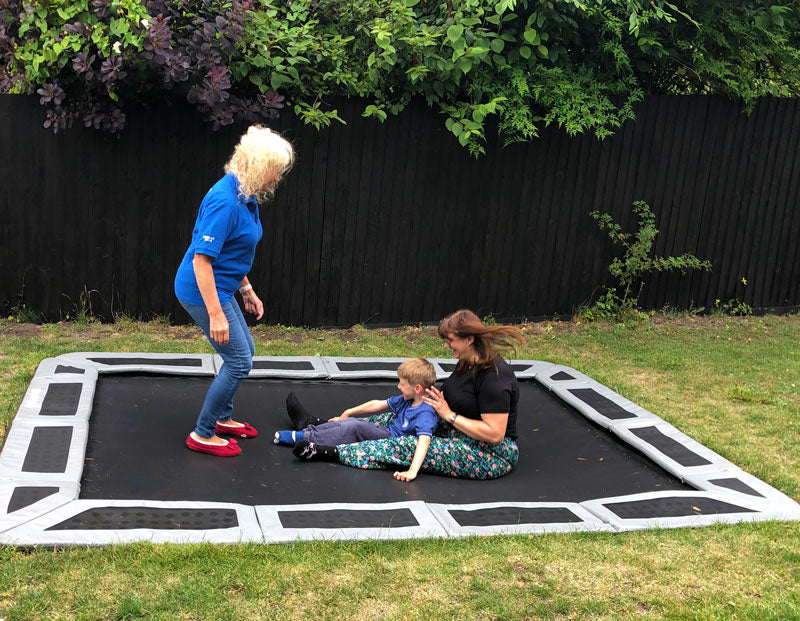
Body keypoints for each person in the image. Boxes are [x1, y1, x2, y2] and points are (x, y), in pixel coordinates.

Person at [175, 125, 294, 457]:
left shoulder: (246, 194)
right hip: (201, 290)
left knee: (246, 351)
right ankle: (203, 433)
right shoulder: (225, 202)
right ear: (258, 167)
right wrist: (216, 314)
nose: (276, 179)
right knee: (239, 360)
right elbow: (202, 262)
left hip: (225, 286)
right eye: (274, 172)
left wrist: (247, 290)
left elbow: (233, 252)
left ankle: (223, 419)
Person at [333, 310, 525, 479]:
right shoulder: (467, 361)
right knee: (394, 419)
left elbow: (494, 434)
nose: (447, 345)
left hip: (488, 452)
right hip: (453, 429)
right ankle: (320, 427)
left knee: (410, 445)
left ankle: (329, 452)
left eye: (450, 340)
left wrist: (449, 414)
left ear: (469, 339)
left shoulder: (495, 378)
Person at [275, 358, 439, 482]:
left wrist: (412, 471)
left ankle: (303, 437)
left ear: (417, 388)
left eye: (402, 384)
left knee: (354, 427)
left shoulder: (425, 413)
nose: (398, 386)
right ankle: (307, 430)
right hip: (387, 432)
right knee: (350, 422)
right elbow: (378, 404)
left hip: (392, 443)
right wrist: (348, 411)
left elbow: (424, 441)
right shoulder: (407, 399)